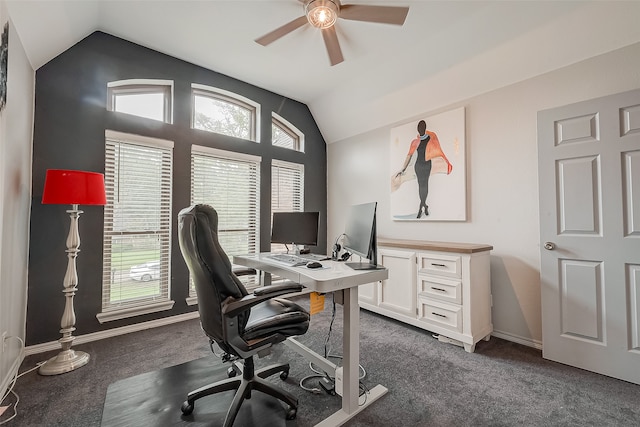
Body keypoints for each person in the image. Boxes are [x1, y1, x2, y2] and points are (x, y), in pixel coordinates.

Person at [395, 120, 452, 218]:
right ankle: (424, 205)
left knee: (425, 185)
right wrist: (403, 168)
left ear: (424, 129)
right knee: (420, 186)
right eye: (419, 128)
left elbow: (438, 150)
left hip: (427, 165)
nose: (420, 130)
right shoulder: (415, 142)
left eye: (421, 128)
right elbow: (409, 156)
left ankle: (421, 206)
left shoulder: (432, 138)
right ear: (417, 130)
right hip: (418, 166)